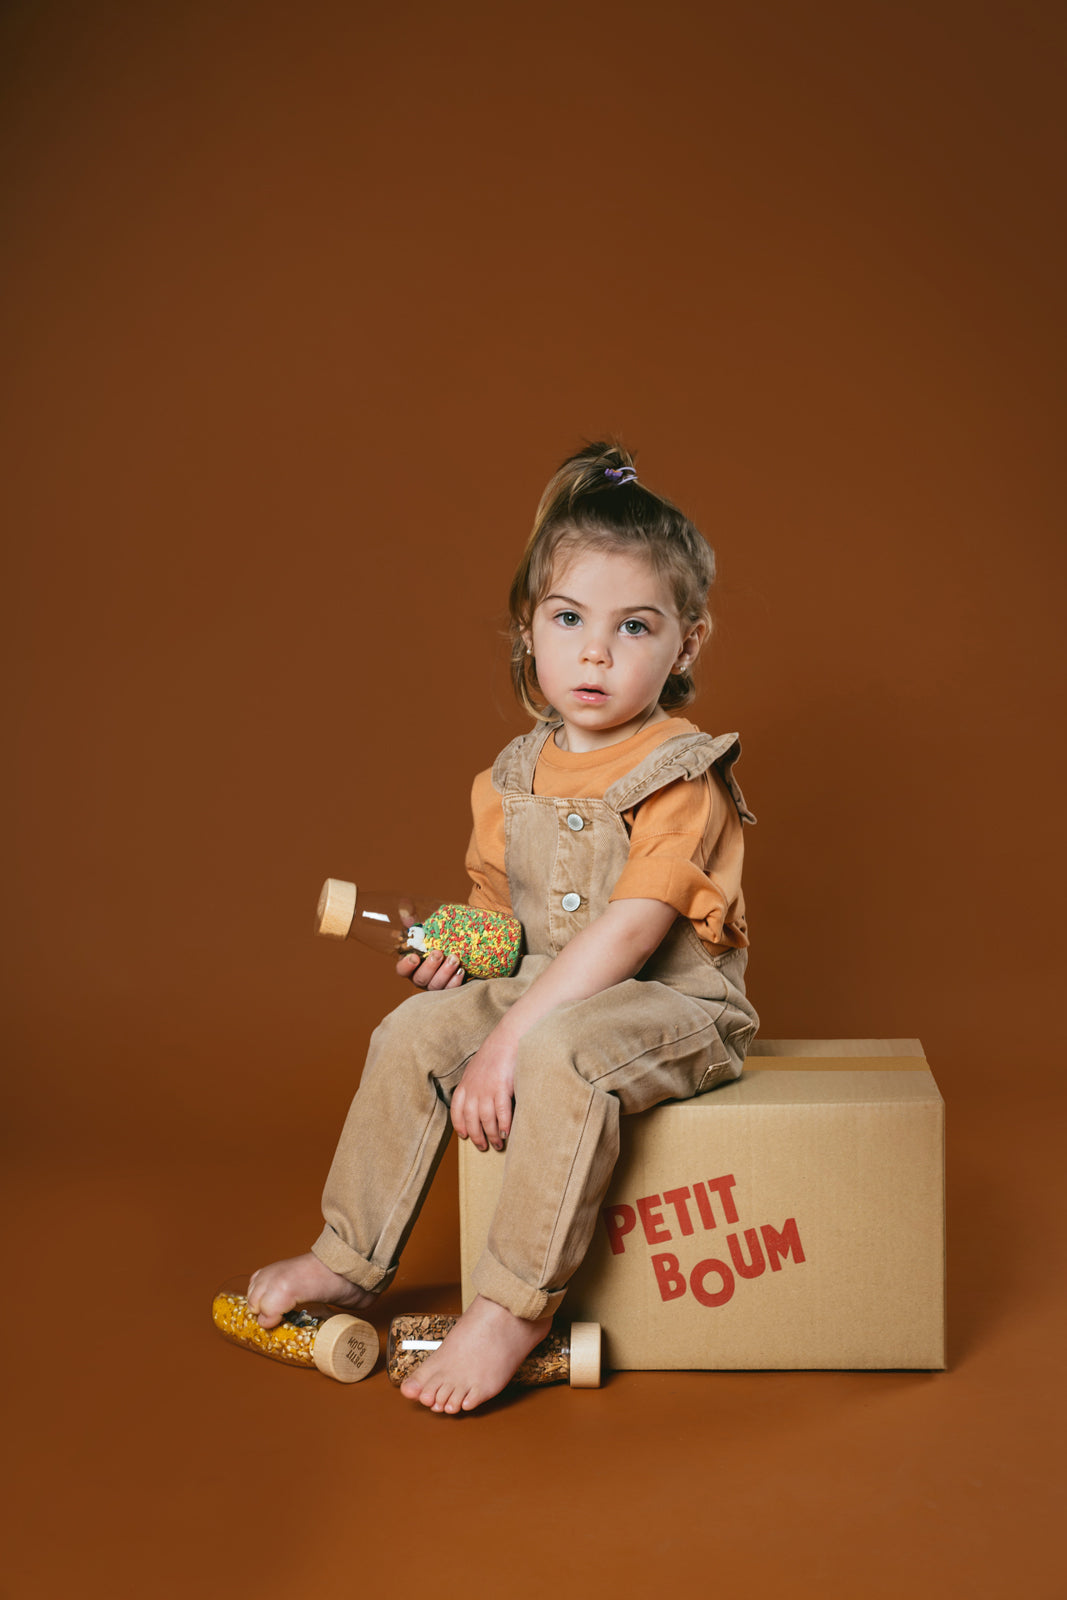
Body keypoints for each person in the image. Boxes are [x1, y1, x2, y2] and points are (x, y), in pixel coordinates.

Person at [247, 442, 758, 1412]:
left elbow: (630, 931)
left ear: (686, 643)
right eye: (568, 619)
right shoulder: (509, 778)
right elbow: (504, 921)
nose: (595, 652)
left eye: (633, 626)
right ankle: (350, 1257)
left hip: (671, 1003)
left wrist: (509, 1042)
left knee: (560, 1055)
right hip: (547, 988)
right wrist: (458, 951)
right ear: (528, 628)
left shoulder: (680, 773)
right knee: (413, 1034)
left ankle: (512, 1306)